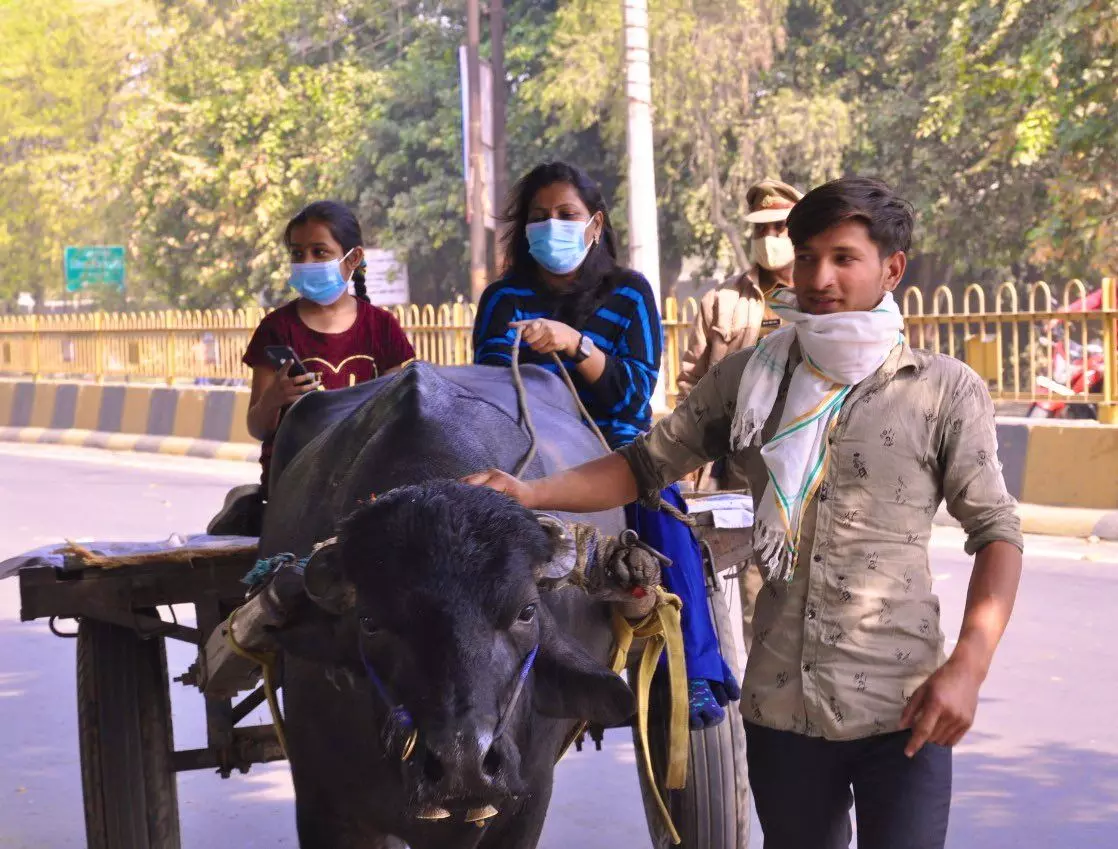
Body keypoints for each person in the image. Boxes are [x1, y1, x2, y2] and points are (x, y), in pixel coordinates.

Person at [466, 177, 1023, 849]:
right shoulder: (752, 376)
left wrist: (968, 666)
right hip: (782, 710)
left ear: (891, 268)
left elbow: (997, 532)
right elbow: (643, 466)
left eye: (844, 257)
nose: (819, 276)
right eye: (808, 255)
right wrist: (530, 493)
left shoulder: (942, 390)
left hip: (906, 709)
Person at [472, 161, 741, 729]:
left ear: (593, 225)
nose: (552, 226)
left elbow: (632, 395)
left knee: (666, 513)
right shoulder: (502, 300)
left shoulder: (630, 293)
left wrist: (576, 346)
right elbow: (492, 391)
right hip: (526, 447)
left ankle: (693, 674)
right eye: (539, 217)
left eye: (566, 215)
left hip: (613, 447)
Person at [243, 201, 416, 494]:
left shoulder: (382, 327)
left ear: (353, 258)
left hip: (365, 481)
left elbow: (395, 419)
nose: (307, 262)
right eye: (298, 253)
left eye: (319, 252)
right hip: (292, 487)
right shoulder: (276, 329)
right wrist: (274, 399)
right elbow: (257, 428)